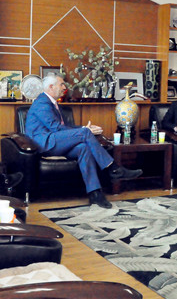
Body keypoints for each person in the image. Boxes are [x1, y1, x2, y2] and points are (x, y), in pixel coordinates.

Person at [25, 74, 142, 208]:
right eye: (61, 84)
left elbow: (65, 127)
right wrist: (85, 131)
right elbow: (55, 128)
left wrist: (83, 128)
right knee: (85, 133)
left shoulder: (53, 103)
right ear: (51, 87)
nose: (64, 87)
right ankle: (113, 168)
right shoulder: (42, 102)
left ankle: (95, 194)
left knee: (83, 148)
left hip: (55, 141)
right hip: (45, 143)